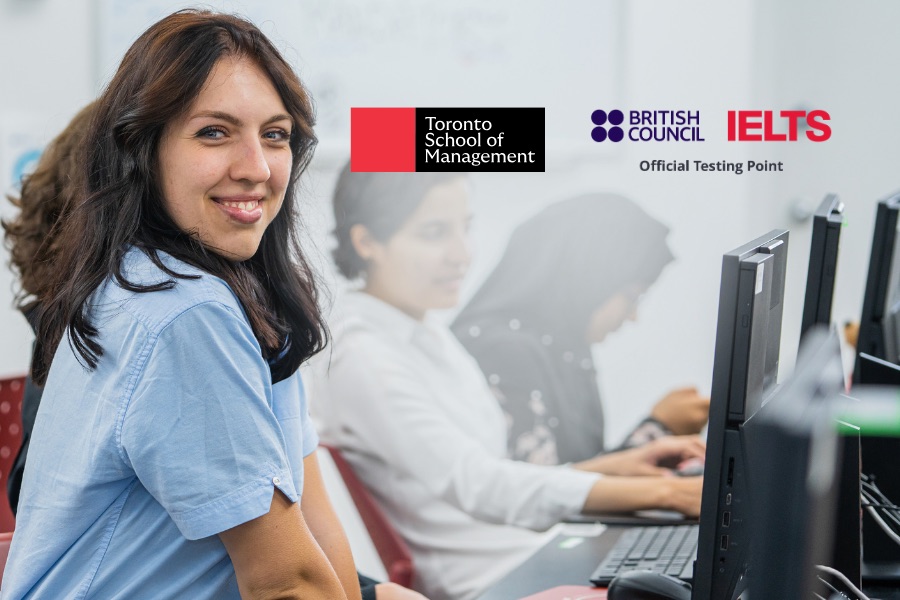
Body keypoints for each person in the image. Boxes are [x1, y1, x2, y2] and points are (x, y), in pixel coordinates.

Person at [2, 10, 361, 598]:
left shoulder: (246, 300)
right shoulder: (182, 310)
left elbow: (315, 538)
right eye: (213, 133)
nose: (256, 169)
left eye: (275, 135)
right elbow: (287, 583)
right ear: (145, 152)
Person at [312, 167, 704, 600]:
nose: (461, 254)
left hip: (530, 550)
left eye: (466, 228)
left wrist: (616, 466)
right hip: (494, 582)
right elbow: (481, 485)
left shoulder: (425, 330)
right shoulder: (361, 356)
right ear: (367, 242)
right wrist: (671, 492)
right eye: (434, 232)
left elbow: (495, 470)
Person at [451, 194, 710, 465]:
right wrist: (657, 429)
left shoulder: (565, 349)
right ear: (589, 279)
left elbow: (576, 476)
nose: (632, 316)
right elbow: (538, 495)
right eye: (631, 296)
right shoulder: (501, 351)